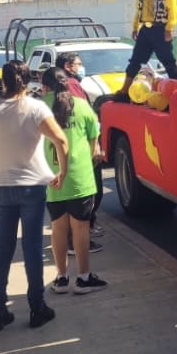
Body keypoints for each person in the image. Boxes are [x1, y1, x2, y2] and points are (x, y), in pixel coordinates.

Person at [0, 61, 70, 333]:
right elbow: (61, 141)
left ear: (3, 82)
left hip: (1, 190)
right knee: (31, 249)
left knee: (3, 249)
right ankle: (36, 307)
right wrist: (61, 173)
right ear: (28, 81)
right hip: (32, 187)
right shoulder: (36, 108)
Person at [40, 67, 108, 294]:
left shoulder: (40, 106)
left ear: (45, 85)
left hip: (51, 175)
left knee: (58, 227)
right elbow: (93, 133)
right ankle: (83, 278)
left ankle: (61, 278)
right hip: (80, 175)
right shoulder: (80, 104)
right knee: (81, 228)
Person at [55, 53, 107, 244]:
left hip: (66, 150)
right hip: (81, 147)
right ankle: (82, 233)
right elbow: (87, 118)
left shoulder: (59, 88)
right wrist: (95, 146)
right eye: (79, 64)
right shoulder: (72, 86)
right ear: (68, 67)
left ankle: (76, 234)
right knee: (91, 192)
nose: (81, 67)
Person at [118, 0, 177, 99]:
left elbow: (173, 8)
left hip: (160, 28)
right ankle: (125, 91)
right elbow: (138, 9)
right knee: (135, 60)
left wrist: (170, 28)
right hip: (145, 29)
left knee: (168, 61)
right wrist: (135, 27)